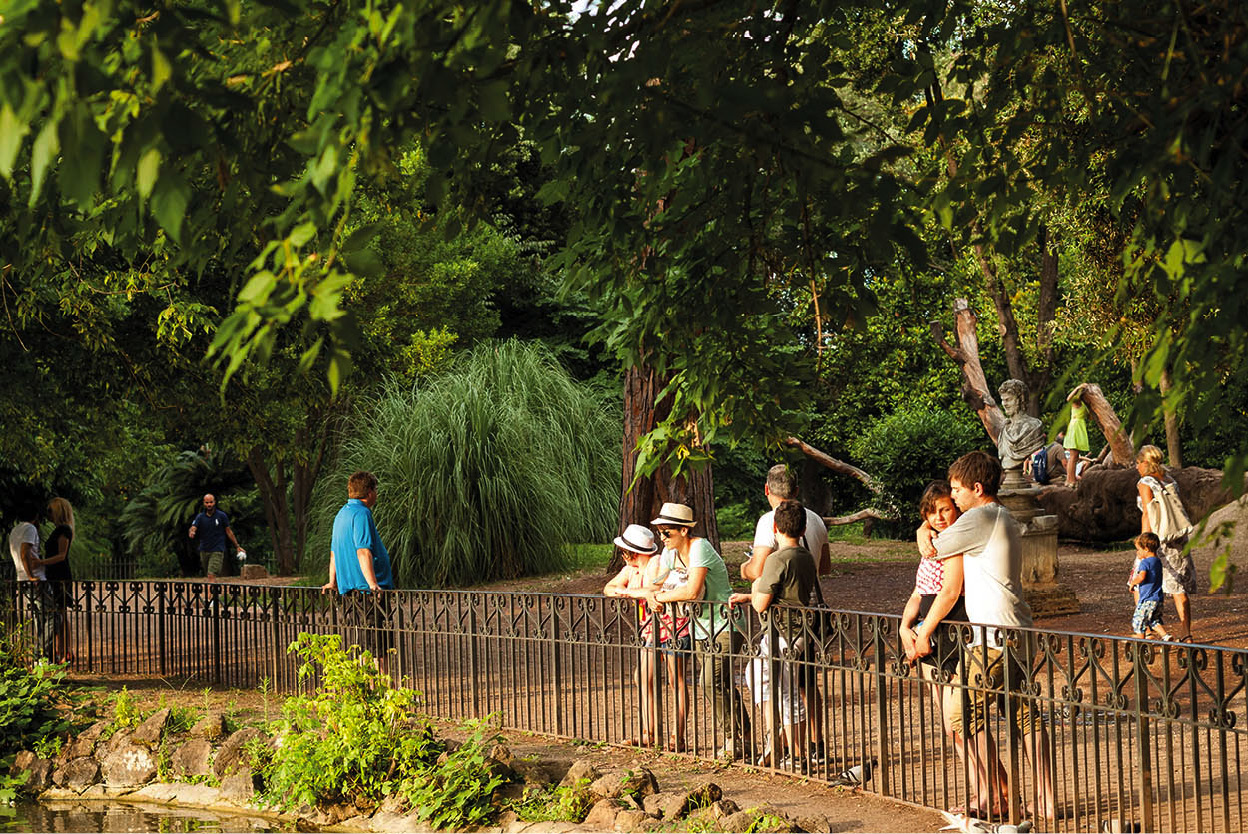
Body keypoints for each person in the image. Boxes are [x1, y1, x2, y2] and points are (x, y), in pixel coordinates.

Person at [918, 451, 1055, 821]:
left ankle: (999, 795)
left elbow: (931, 550)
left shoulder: (980, 516)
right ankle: (1044, 799)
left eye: (958, 489)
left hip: (992, 637)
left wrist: (921, 530)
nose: (954, 496)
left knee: (958, 714)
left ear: (977, 488)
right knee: (1025, 716)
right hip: (1016, 630)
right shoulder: (1002, 515)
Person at [902, 482, 1007, 807]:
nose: (939, 517)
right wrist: (904, 627)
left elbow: (950, 591)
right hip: (928, 630)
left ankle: (999, 791)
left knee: (961, 721)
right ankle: (982, 792)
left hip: (952, 633)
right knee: (952, 728)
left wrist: (921, 634)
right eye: (932, 512)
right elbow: (920, 593)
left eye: (945, 509)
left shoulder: (956, 542)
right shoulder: (934, 541)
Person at [646, 502, 751, 759]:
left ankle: (731, 740)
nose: (662, 538)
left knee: (709, 682)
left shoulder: (699, 548)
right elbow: (655, 584)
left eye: (666, 532)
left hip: (726, 623)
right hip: (701, 628)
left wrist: (662, 597)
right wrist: (652, 596)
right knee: (721, 685)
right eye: (659, 532)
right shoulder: (670, 554)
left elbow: (692, 591)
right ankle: (744, 738)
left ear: (683, 530)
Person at [741, 464, 829, 760]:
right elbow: (825, 567)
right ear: (797, 490)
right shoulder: (814, 518)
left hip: (782, 623)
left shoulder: (769, 521)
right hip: (810, 614)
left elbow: (759, 569)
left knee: (782, 685)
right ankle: (815, 746)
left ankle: (784, 743)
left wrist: (745, 569)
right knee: (805, 682)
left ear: (768, 490)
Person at [730, 499, 818, 771]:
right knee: (758, 677)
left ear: (774, 528)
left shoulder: (776, 559)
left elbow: (761, 603)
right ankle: (777, 738)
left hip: (783, 634)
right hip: (797, 630)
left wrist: (754, 585)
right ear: (804, 529)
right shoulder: (805, 556)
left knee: (787, 693)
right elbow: (785, 593)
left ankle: (795, 752)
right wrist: (749, 595)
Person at [322, 471, 395, 669]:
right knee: (377, 644)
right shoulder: (362, 513)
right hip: (368, 592)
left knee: (362, 642)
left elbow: (334, 552)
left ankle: (365, 686)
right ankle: (380, 688)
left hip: (350, 590)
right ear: (370, 492)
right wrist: (373, 584)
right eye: (376, 490)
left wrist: (332, 581)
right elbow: (363, 550)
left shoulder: (341, 514)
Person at [603, 524, 662, 747]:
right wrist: (633, 592)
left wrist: (640, 592)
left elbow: (654, 590)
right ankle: (650, 732)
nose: (622, 555)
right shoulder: (632, 568)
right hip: (649, 630)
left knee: (669, 680)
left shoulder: (654, 563)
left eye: (625, 550)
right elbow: (609, 588)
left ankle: (674, 736)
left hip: (666, 628)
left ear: (633, 551)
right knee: (643, 678)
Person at [1136, 444, 1196, 642]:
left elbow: (1147, 512)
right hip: (1177, 538)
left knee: (1140, 583)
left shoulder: (1145, 482)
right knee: (1179, 588)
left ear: (1145, 463)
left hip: (1156, 539)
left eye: (1137, 463)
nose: (1136, 467)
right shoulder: (1171, 481)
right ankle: (1186, 632)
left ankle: (1145, 629)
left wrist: (1143, 543)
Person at [8, 500, 62, 659]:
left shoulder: (15, 530)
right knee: (53, 615)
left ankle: (44, 657)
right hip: (35, 579)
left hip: (22, 578)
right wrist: (32, 576)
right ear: (36, 516)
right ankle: (40, 654)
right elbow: (25, 552)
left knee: (41, 617)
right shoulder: (29, 528)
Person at [44, 498, 76, 663]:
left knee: (61, 614)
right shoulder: (59, 529)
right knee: (58, 615)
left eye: (50, 511)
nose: (48, 515)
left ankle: (66, 651)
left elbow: (61, 556)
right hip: (53, 576)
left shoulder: (64, 530)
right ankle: (60, 651)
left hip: (60, 576)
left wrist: (40, 563)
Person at [1128, 532, 1171, 641]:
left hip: (1147, 600)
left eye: (1138, 549)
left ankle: (1142, 645)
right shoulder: (1157, 561)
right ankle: (1165, 636)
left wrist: (1133, 582)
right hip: (1158, 599)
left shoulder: (1145, 562)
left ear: (1146, 549)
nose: (1137, 552)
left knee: (1139, 622)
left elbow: (1142, 577)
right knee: (1153, 621)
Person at [188, 494, 242, 580]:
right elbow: (193, 527)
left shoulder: (221, 516)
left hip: (217, 549)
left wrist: (237, 546)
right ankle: (214, 592)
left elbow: (229, 531)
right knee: (209, 575)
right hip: (204, 549)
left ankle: (209, 593)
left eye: (211, 502)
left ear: (214, 502)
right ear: (204, 503)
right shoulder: (200, 517)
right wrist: (192, 531)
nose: (209, 504)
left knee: (211, 574)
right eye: (207, 502)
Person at [996, 379, 1045, 472]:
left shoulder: (1033, 426)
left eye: (1008, 400)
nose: (1004, 404)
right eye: (1003, 400)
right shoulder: (1005, 428)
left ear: (1020, 400)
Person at [1064, 386, 1091, 487]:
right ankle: (1070, 480)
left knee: (1074, 457)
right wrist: (1078, 387)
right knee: (1073, 456)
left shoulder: (1084, 404)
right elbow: (1068, 398)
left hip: (1079, 427)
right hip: (1075, 427)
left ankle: (1070, 479)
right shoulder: (1076, 402)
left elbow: (1090, 417)